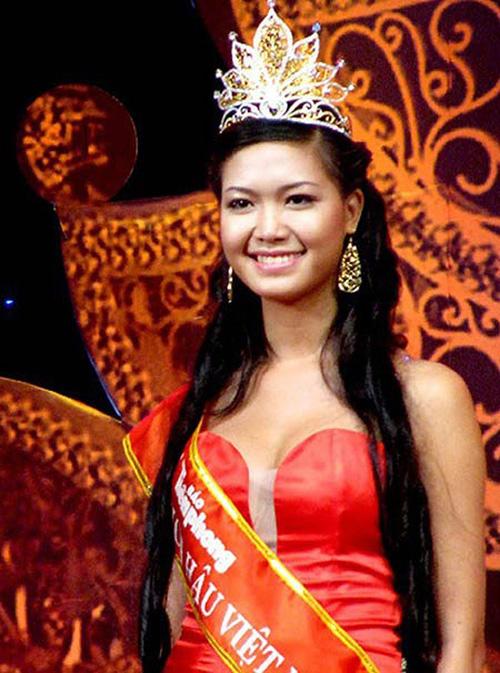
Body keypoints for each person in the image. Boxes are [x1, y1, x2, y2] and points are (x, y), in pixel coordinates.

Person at [122, 3, 486, 672]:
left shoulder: (426, 397)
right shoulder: (196, 407)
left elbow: (461, 647)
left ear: (349, 210)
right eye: (241, 203)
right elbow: (173, 611)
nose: (267, 228)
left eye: (297, 199)